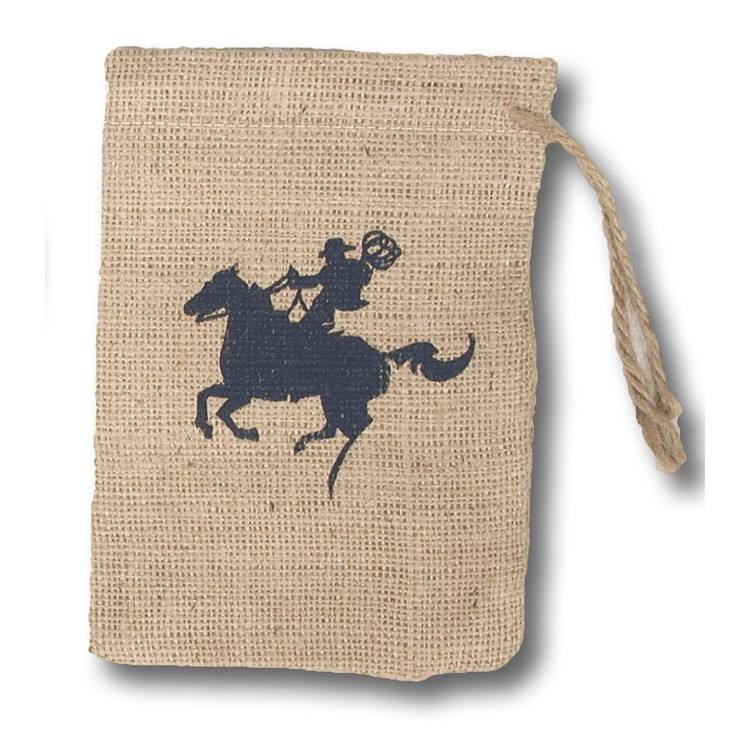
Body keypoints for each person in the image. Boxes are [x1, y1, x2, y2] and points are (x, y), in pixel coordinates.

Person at [286, 237, 373, 329]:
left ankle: (315, 323)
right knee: (324, 297)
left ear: (335, 255)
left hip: (342, 301)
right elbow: (365, 279)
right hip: (353, 301)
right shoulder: (354, 264)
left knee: (322, 300)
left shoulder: (331, 269)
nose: (327, 259)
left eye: (329, 256)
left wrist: (297, 281)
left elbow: (314, 281)